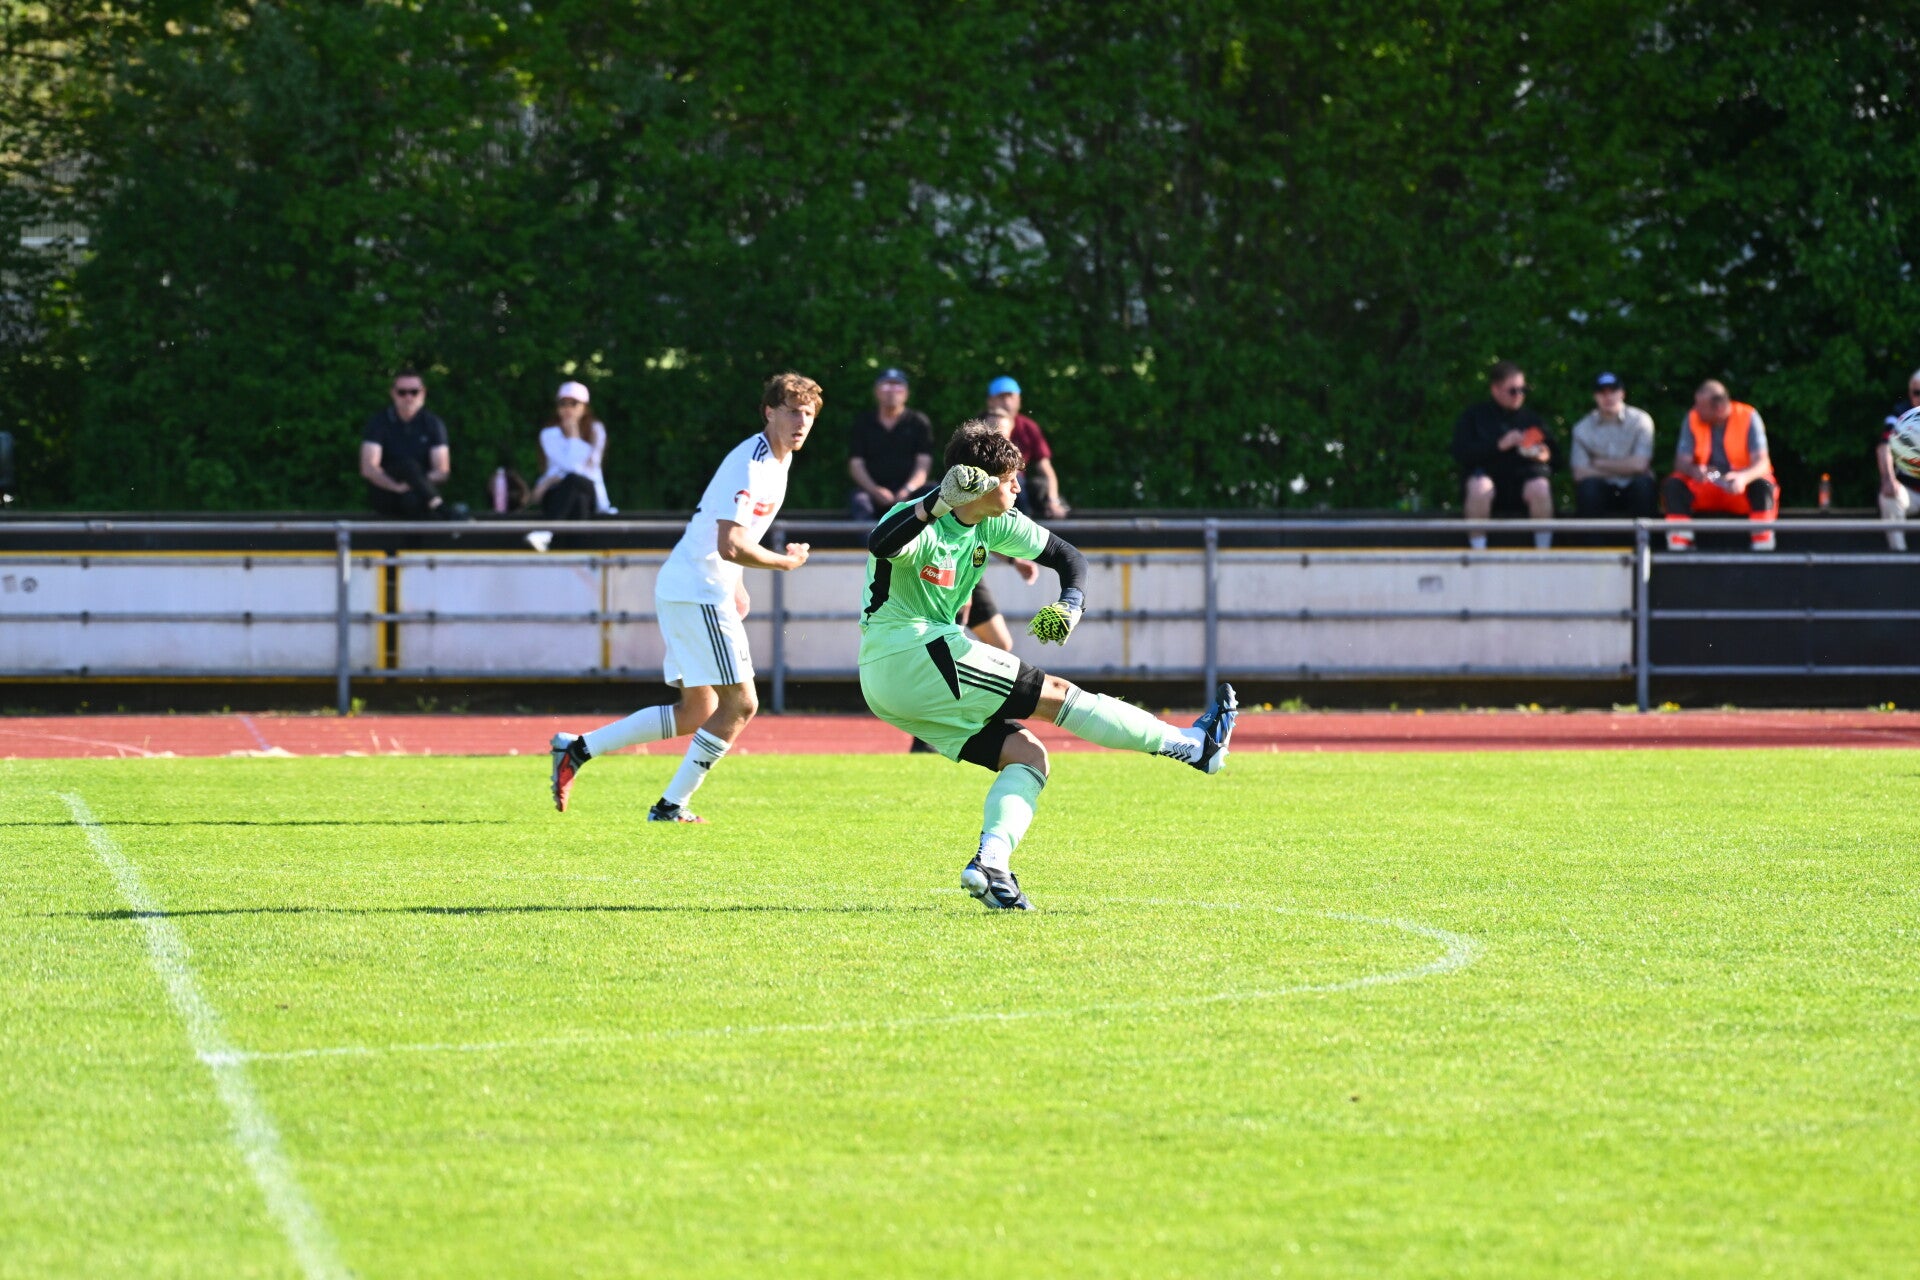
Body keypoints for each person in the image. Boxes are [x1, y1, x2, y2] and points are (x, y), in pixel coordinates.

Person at [858, 421, 1237, 910]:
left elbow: (1068, 557)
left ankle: (991, 865)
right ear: (977, 483)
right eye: (1009, 478)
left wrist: (1071, 603)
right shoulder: (923, 517)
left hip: (899, 678)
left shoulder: (994, 521)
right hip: (909, 653)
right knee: (1057, 695)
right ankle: (1192, 747)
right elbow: (881, 542)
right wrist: (935, 502)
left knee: (1028, 756)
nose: (1019, 486)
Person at [548, 372, 820, 822]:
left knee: (698, 710)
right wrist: (783, 563)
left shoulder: (779, 460)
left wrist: (737, 584)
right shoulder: (751, 463)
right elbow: (730, 544)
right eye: (793, 411)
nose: (802, 422)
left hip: (694, 586)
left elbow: (733, 532)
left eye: (808, 414)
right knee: (742, 704)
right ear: (769, 412)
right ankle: (670, 806)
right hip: (698, 590)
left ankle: (576, 749)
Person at [1663, 380, 1777, 552]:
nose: (1696, 409)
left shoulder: (1748, 416)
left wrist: (1743, 478)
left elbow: (1763, 462)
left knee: (1765, 483)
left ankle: (1762, 543)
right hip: (1708, 480)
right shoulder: (1693, 418)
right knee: (1673, 484)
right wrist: (1694, 470)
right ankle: (1680, 542)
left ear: (1719, 407)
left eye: (1701, 406)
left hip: (1738, 485)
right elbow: (1680, 462)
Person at [1451, 361, 1554, 548]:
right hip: (1487, 485)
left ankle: (1543, 553)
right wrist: (1499, 445)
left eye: (1523, 390)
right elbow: (1461, 453)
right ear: (1495, 390)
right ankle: (1478, 553)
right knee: (1479, 486)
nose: (1519, 395)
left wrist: (1542, 454)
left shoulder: (1532, 419)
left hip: (1523, 486)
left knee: (1540, 485)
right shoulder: (1474, 416)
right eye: (1513, 391)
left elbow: (1555, 457)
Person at [360, 369, 451, 518]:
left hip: (420, 495)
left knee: (411, 498)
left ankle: (435, 513)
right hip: (386, 492)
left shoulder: (433, 424)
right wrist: (396, 487)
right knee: (407, 466)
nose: (408, 397)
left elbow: (442, 471)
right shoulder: (378, 423)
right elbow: (368, 468)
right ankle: (441, 508)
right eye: (402, 392)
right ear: (393, 393)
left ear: (423, 393)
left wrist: (415, 483)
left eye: (414, 392)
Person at [847, 368, 934, 521]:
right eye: (886, 386)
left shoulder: (918, 422)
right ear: (876, 391)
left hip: (911, 492)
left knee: (933, 493)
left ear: (906, 392)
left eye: (898, 386)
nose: (892, 391)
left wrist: (907, 490)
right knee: (859, 500)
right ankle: (869, 538)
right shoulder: (863, 422)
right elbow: (856, 464)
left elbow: (923, 464)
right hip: (873, 493)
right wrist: (875, 490)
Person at [1570, 372, 1658, 517]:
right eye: (1602, 393)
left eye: (1613, 391)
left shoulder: (1640, 420)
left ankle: (1646, 532)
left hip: (1633, 488)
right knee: (1588, 488)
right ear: (1595, 396)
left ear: (1622, 394)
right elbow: (1579, 473)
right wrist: (1626, 468)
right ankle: (1590, 533)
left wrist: (1599, 463)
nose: (1608, 397)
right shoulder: (1581, 428)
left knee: (1644, 485)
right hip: (1601, 489)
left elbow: (1640, 465)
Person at [986, 376, 1069, 518]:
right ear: (990, 401)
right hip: (987, 486)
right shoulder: (977, 427)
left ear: (1019, 399)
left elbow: (1046, 469)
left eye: (1010, 396)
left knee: (1037, 486)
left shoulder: (1029, 427)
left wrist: (1053, 501)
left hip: (1018, 488)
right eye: (1001, 397)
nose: (1006, 402)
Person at [528, 381, 610, 520]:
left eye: (573, 403)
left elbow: (579, 469)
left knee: (575, 482)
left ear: (584, 407)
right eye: (563, 404)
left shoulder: (596, 430)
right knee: (578, 498)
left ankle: (548, 529)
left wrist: (574, 437)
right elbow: (573, 467)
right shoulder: (549, 434)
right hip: (559, 492)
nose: (567, 408)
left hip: (586, 487)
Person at [1875, 369, 1920, 550]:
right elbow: (1884, 447)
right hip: (1910, 491)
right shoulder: (1898, 416)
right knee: (1889, 497)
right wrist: (1888, 479)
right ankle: (1898, 558)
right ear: (1910, 393)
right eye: (1917, 392)